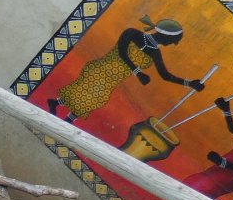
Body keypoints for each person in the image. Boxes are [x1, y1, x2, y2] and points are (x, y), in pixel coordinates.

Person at [46, 18, 204, 124]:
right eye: (174, 40)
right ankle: (66, 121)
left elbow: (165, 75)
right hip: (102, 68)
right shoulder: (132, 33)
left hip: (113, 79)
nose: (173, 44)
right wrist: (137, 72)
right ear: (166, 37)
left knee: (91, 98)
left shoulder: (155, 53)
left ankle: (56, 105)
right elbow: (122, 52)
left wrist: (189, 83)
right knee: (85, 94)